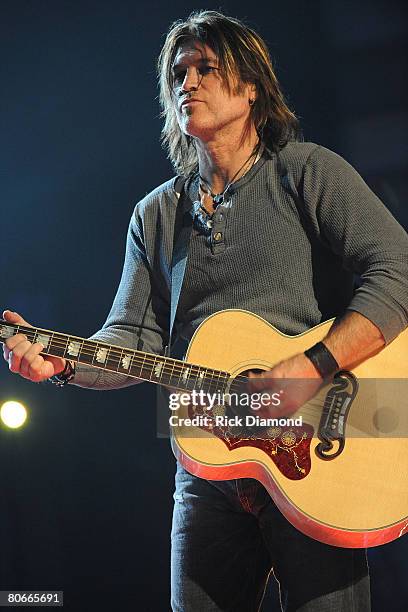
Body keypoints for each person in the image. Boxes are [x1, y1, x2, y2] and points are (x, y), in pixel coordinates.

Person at [3, 10, 408, 612]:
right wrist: (59, 362)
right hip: (207, 466)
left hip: (322, 446)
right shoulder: (154, 215)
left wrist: (313, 364)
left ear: (251, 88)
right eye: (177, 73)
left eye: (205, 69)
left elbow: (397, 269)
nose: (186, 83)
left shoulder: (306, 172)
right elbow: (131, 340)